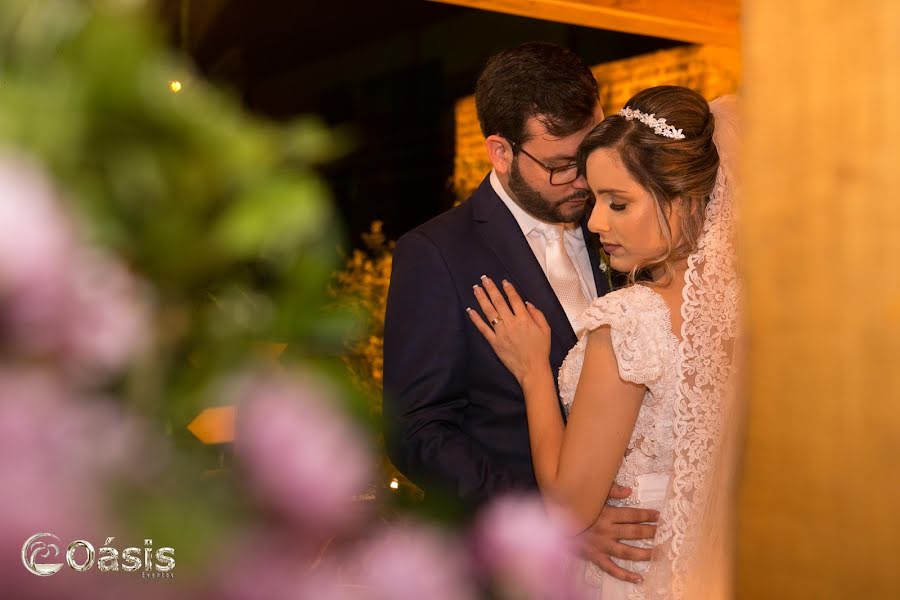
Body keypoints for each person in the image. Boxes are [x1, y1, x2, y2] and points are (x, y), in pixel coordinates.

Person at [383, 42, 659, 584]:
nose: (582, 182)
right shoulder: (437, 254)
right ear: (500, 152)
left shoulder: (622, 222)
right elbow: (417, 432)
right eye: (560, 167)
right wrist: (553, 520)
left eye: (588, 157)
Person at [468, 86, 741, 599]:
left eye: (618, 203)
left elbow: (570, 508)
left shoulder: (631, 320)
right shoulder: (757, 311)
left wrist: (533, 373)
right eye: (595, 199)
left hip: (630, 578)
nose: (594, 222)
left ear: (683, 202)